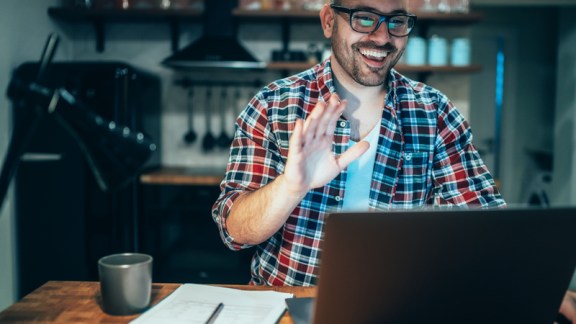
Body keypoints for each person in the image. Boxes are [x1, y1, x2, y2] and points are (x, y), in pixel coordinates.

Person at [211, 0, 576, 321]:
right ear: (328, 21)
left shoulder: (434, 112)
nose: (383, 37)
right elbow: (235, 232)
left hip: (398, 309)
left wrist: (539, 285)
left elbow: (485, 223)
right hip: (288, 304)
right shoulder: (273, 104)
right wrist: (292, 186)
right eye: (364, 18)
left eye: (397, 21)